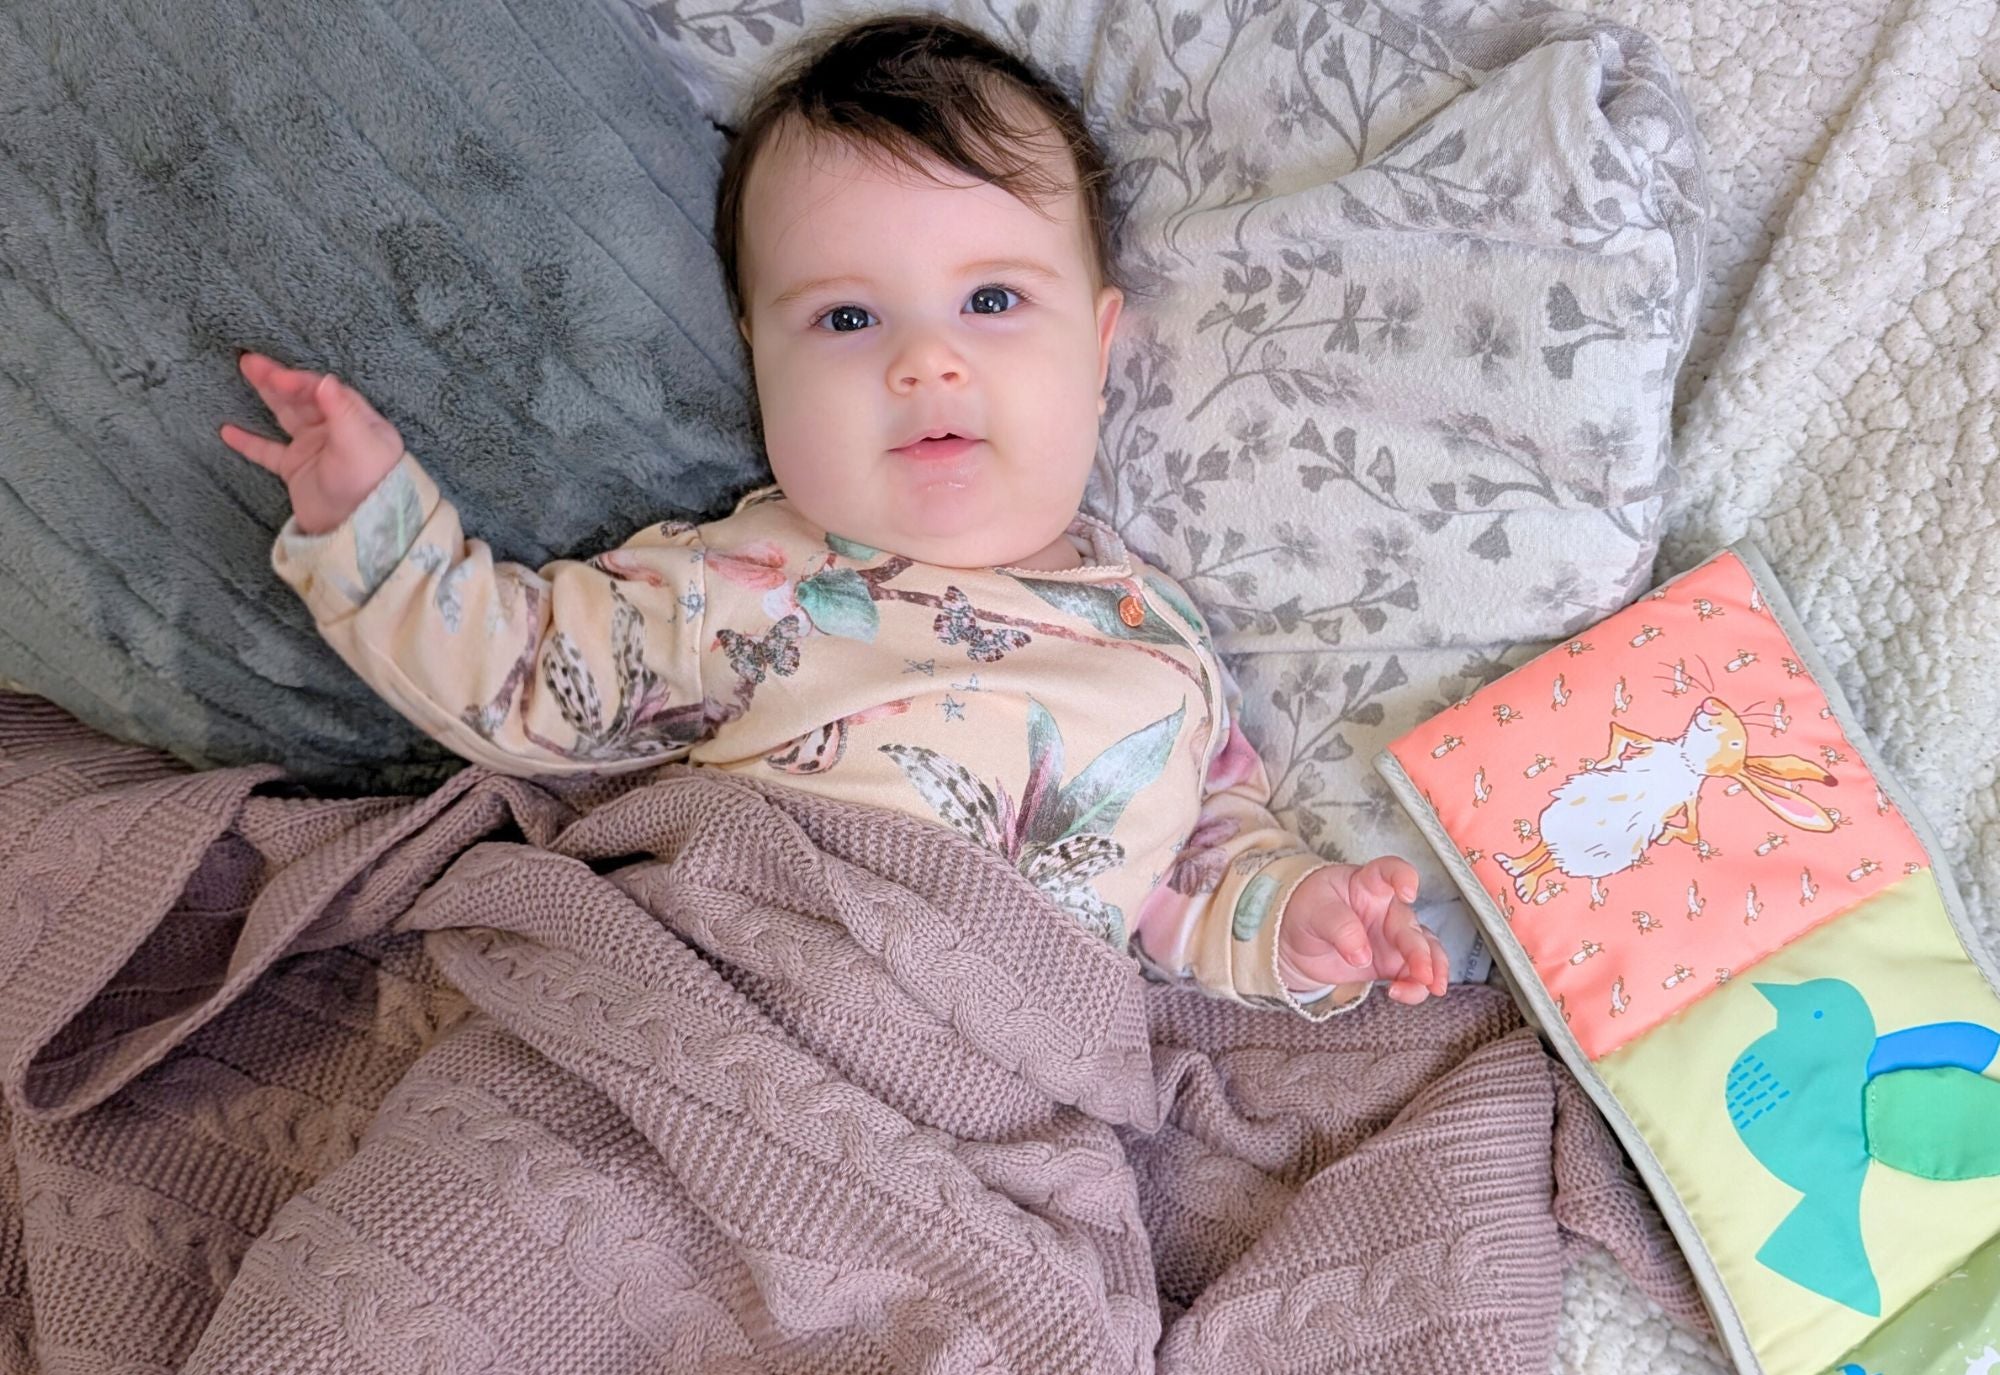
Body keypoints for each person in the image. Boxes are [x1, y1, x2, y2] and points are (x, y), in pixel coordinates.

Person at [219, 13, 1447, 1014]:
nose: (925, 362)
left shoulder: (1165, 664)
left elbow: (1198, 875)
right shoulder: (738, 584)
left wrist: (1302, 921)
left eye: (992, 300)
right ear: (761, 360)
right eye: (848, 320)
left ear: (1098, 347)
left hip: (994, 1098)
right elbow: (524, 672)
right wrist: (374, 522)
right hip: (715, 1010)